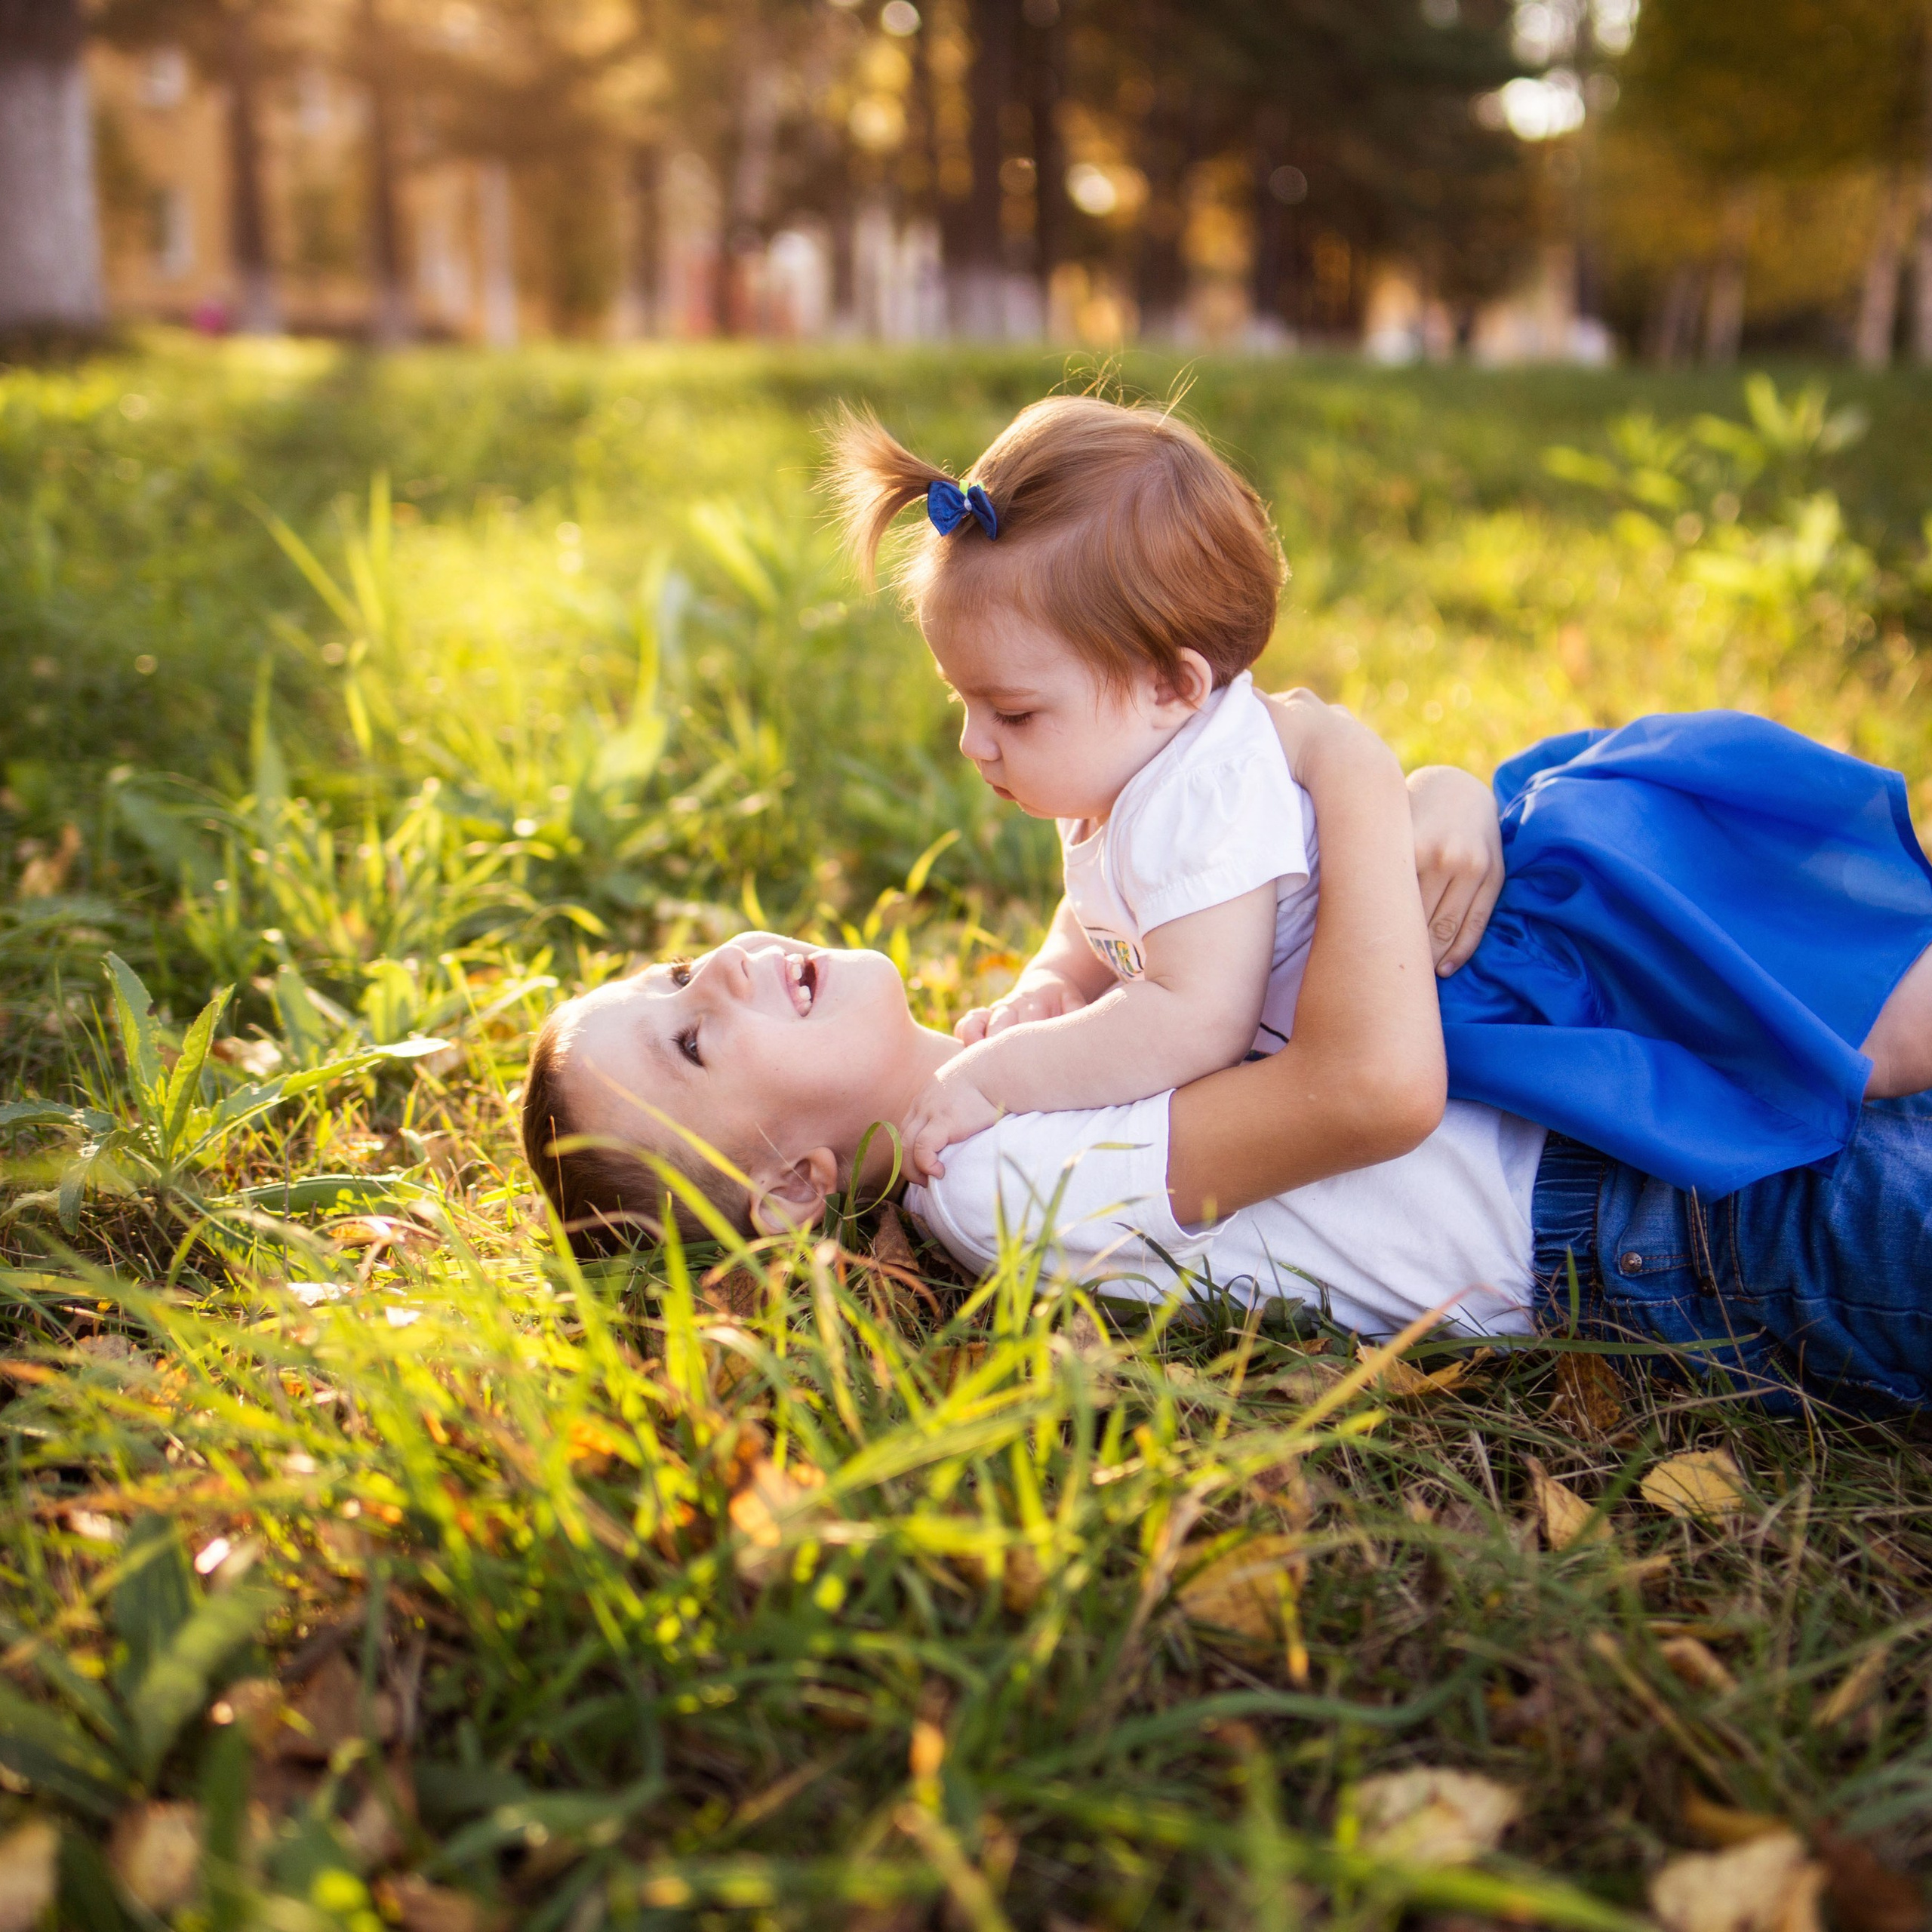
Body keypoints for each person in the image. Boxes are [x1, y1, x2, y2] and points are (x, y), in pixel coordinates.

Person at [521, 694, 1932, 1415]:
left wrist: (1444, 798)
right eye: (696, 1035)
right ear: (790, 1188)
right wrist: (1357, 771)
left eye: (670, 972)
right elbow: (1371, 1092)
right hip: (1668, 1220)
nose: (712, 966)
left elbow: (1153, 932)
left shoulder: (997, 1063)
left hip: (1623, 1084)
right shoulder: (992, 1189)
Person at [826, 398, 1932, 1196]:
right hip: (1460, 977)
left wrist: (1002, 1078)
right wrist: (1051, 984)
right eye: (962, 702)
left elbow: (1191, 1020)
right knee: (1801, 1042)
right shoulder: (1126, 767)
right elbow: (1101, 916)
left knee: (1866, 1032)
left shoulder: (1194, 794)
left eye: (1012, 714)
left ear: (1174, 684)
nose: (976, 744)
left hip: (1541, 951)